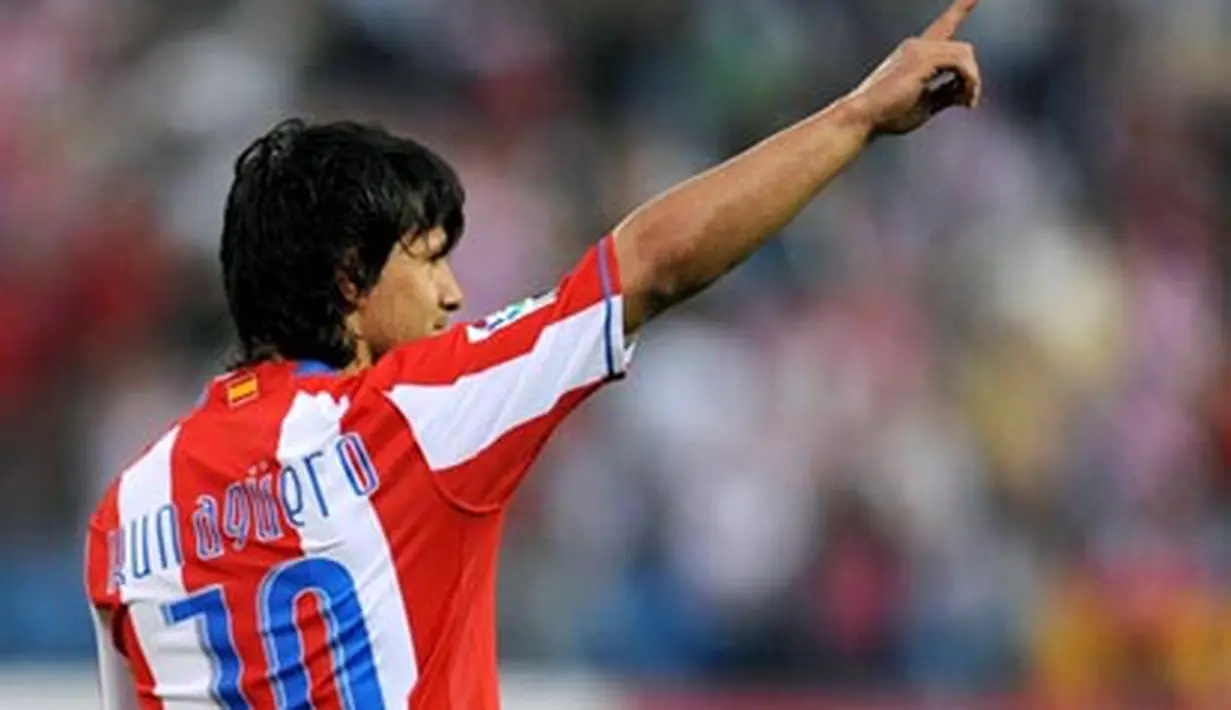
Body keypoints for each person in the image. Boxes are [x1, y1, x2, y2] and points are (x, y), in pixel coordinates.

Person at [83, 1, 983, 707]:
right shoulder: (406, 414)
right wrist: (858, 116)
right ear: (352, 279)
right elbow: (651, 266)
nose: (453, 295)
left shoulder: (127, 513)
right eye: (430, 259)